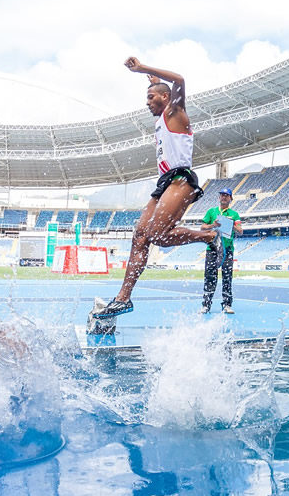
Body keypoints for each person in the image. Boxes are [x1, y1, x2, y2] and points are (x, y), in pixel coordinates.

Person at [93, 57, 220, 319]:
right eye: (147, 98)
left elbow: (180, 80)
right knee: (140, 236)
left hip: (180, 179)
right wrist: (152, 81)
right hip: (163, 183)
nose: (148, 102)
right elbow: (163, 86)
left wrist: (144, 69)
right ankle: (123, 299)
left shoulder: (175, 112)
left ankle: (209, 237)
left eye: (152, 97)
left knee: (159, 236)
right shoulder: (162, 117)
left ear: (166, 97)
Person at [201, 189, 243, 314]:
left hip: (227, 249)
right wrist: (212, 225)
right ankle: (206, 305)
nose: (224, 197)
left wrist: (230, 225)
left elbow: (240, 231)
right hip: (212, 249)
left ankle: (227, 305)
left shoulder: (234, 214)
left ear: (231, 198)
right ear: (219, 198)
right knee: (209, 276)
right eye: (222, 195)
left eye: (226, 195)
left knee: (227, 277)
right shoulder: (211, 211)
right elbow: (202, 227)